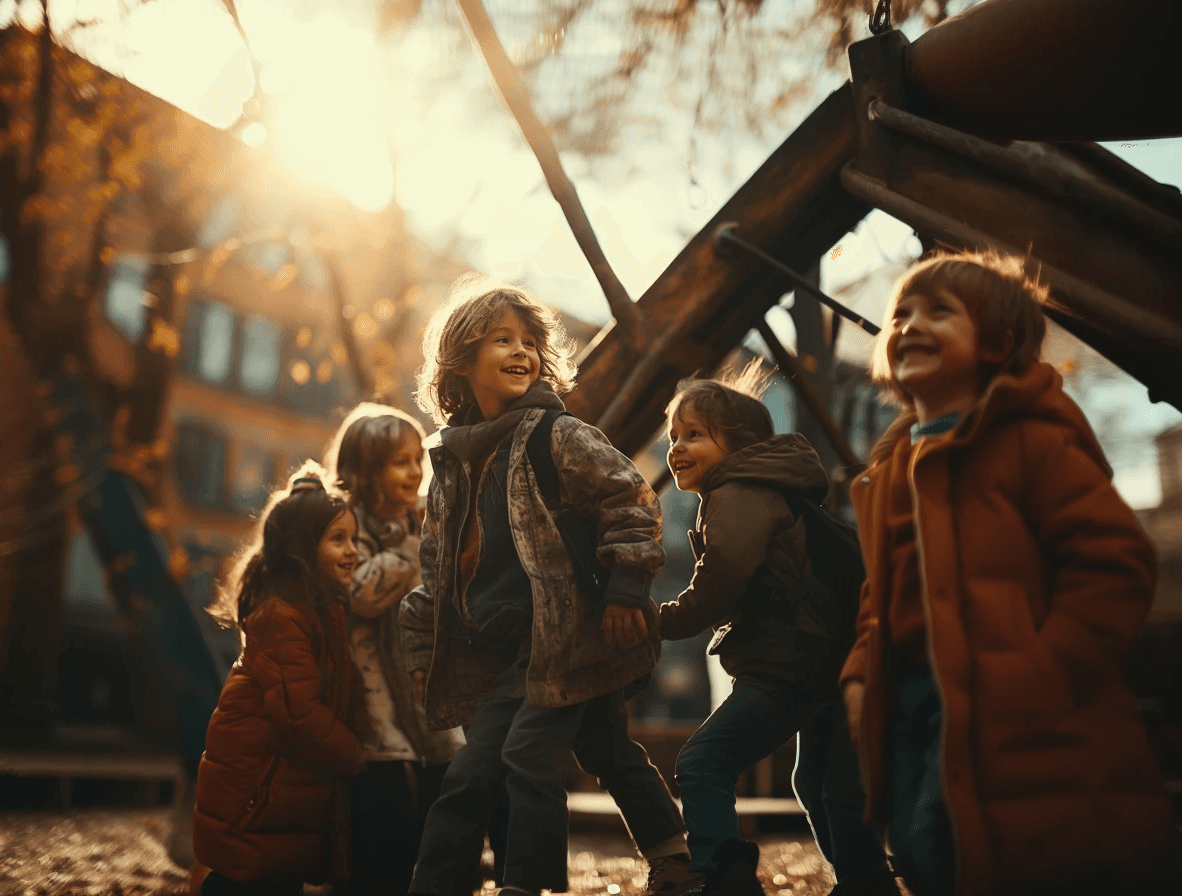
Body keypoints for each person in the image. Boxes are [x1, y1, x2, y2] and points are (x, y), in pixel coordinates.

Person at [840, 249, 1182, 896]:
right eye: (900, 313)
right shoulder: (890, 471)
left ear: (997, 342)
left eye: (939, 312)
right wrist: (861, 674)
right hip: (914, 694)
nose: (910, 324)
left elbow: (1113, 560)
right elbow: (877, 594)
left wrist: (1045, 669)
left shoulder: (1030, 442)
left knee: (1021, 848)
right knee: (916, 844)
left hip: (1014, 698)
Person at [401, 280, 668, 896]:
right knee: (597, 751)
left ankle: (527, 885)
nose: (521, 352)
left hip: (569, 633)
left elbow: (631, 500)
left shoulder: (558, 434)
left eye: (529, 341)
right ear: (461, 360)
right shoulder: (453, 463)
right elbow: (437, 569)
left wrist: (627, 587)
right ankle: (680, 861)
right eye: (502, 340)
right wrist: (422, 651)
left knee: (516, 760)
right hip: (507, 653)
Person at [658, 369, 898, 896]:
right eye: (673, 436)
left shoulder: (737, 492)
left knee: (704, 760)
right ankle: (865, 881)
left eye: (694, 434)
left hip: (788, 660)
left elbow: (722, 579)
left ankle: (726, 876)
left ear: (740, 445)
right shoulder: (770, 493)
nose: (676, 447)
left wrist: (663, 621)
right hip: (825, 656)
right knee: (821, 783)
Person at [192, 464, 366, 896]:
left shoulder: (323, 611)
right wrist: (356, 755)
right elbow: (298, 713)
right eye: (338, 539)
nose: (352, 552)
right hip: (257, 793)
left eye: (354, 539)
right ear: (302, 549)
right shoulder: (282, 618)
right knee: (244, 881)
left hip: (279, 795)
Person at [327, 404, 465, 896]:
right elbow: (360, 593)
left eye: (416, 460)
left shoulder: (426, 522)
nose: (414, 472)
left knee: (443, 820)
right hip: (373, 701)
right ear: (364, 472)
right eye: (398, 462)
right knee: (385, 829)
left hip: (426, 694)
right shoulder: (347, 529)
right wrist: (408, 551)